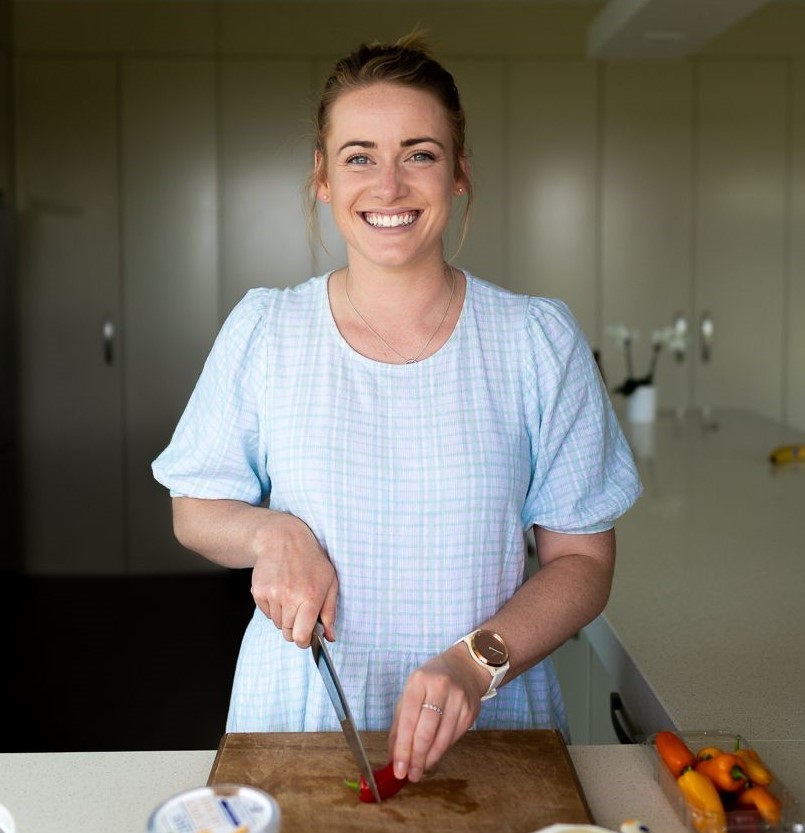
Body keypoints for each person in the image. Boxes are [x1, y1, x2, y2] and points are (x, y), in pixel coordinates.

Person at [152, 33, 641, 786]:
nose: (388, 185)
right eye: (358, 156)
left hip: (493, 732)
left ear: (458, 173)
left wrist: (476, 663)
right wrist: (270, 530)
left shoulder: (536, 340)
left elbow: (581, 563)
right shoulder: (265, 330)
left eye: (418, 153)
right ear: (321, 176)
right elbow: (194, 506)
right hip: (298, 725)